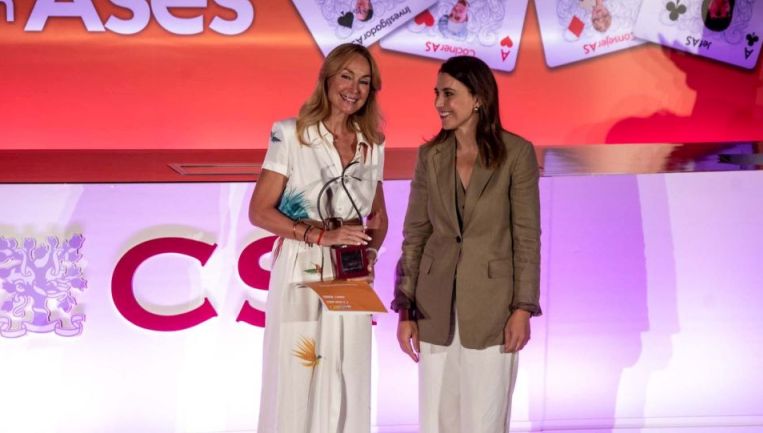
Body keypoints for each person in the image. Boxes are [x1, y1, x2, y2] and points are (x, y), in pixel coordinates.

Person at [392, 55, 541, 433]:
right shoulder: (429, 156)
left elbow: (526, 237)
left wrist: (523, 308)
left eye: (449, 94)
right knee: (438, 419)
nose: (438, 103)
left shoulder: (516, 153)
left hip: (493, 310)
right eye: (436, 94)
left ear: (478, 98)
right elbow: (415, 235)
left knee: (485, 419)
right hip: (433, 308)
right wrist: (405, 309)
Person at [250, 43, 388, 433]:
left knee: (348, 371)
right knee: (299, 371)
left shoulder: (373, 144)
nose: (354, 89)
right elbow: (260, 211)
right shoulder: (291, 134)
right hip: (301, 265)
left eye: (364, 82)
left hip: (350, 273)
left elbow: (379, 217)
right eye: (346, 76)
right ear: (327, 79)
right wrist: (320, 236)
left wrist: (370, 254)